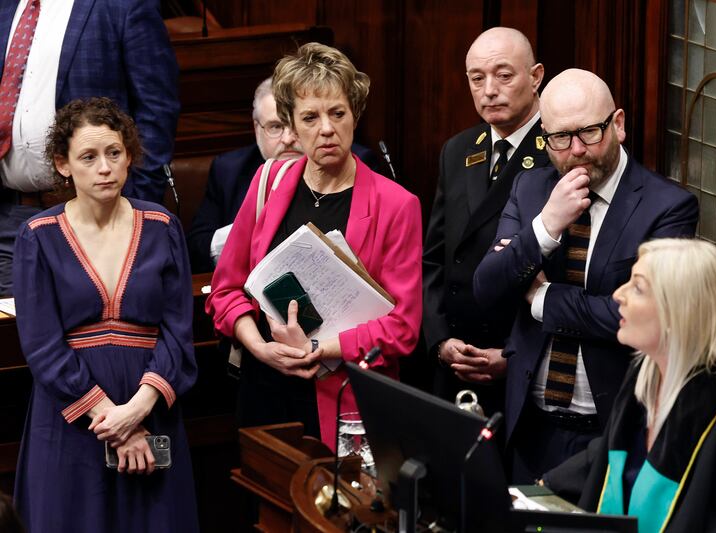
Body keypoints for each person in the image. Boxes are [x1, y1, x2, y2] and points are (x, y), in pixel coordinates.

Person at [473, 68, 699, 483]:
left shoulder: (667, 208)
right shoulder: (531, 189)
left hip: (611, 433)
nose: (576, 150)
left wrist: (541, 299)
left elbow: (637, 320)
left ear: (618, 124)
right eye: (560, 138)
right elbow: (487, 287)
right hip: (530, 424)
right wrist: (545, 227)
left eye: (589, 133)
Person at [206, 43, 422, 450]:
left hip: (342, 398)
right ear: (290, 125)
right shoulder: (268, 181)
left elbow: (403, 329)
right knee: (266, 510)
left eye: (337, 113)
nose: (326, 128)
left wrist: (318, 348)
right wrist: (259, 347)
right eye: (310, 117)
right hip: (264, 392)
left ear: (355, 114)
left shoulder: (397, 205)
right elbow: (226, 291)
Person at [12, 97, 198, 533]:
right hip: (73, 418)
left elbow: (177, 331)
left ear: (129, 156)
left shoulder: (162, 225)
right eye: (89, 157)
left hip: (150, 406)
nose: (105, 168)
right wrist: (116, 423)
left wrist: (138, 410)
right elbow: (41, 346)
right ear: (63, 164)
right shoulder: (37, 236)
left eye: (115, 153)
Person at [544, 239, 716, 532]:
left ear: (678, 311)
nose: (617, 295)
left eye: (637, 287)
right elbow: (616, 459)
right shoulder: (647, 373)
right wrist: (540, 490)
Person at [0, 0, 180, 295]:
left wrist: (131, 211)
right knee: (18, 335)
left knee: (97, 332)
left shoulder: (123, 6)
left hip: (98, 218)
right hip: (12, 217)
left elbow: (156, 111)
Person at [423, 27, 549, 416]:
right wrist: (441, 340)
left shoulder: (560, 148)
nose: (489, 89)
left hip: (521, 367)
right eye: (477, 78)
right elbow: (435, 259)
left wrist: (514, 354)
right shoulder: (459, 149)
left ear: (536, 76)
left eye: (504, 75)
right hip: (457, 362)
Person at [187, 77, 381, 273]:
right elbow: (197, 247)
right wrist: (248, 234)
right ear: (257, 130)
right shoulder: (229, 169)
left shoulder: (355, 163)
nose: (288, 138)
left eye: (296, 124)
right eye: (276, 127)